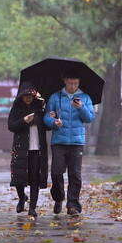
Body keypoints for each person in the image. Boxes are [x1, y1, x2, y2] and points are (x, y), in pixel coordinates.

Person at [43, 71, 95, 215]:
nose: (73, 86)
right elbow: (46, 116)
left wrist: (81, 107)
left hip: (77, 142)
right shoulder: (55, 97)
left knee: (75, 174)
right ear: (65, 81)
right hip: (59, 141)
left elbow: (89, 118)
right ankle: (59, 198)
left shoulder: (85, 97)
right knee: (56, 173)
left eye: (76, 84)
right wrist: (54, 122)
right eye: (70, 83)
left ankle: (73, 205)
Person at [8, 82, 49, 217]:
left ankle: (32, 208)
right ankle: (21, 198)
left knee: (35, 179)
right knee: (19, 178)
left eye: (30, 96)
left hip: (37, 149)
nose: (28, 99)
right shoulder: (17, 108)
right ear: (21, 97)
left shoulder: (40, 108)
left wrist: (51, 117)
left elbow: (47, 126)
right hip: (21, 149)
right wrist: (24, 121)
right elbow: (11, 126)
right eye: (25, 96)